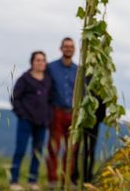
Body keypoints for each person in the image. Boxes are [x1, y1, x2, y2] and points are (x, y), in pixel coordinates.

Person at [10, 51, 53, 191]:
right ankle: (14, 181)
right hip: (26, 120)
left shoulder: (47, 79)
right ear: (32, 62)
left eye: (43, 60)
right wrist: (22, 114)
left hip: (42, 122)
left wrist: (48, 116)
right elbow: (15, 98)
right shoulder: (25, 78)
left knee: (37, 152)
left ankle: (32, 181)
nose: (41, 63)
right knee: (20, 150)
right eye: (38, 60)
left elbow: (50, 99)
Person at [46, 37, 78, 185]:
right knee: (54, 147)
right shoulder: (51, 67)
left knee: (71, 148)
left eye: (71, 47)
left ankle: (67, 179)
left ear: (74, 49)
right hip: (56, 111)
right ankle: (52, 180)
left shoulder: (78, 70)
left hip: (72, 113)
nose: (68, 49)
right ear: (61, 48)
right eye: (66, 46)